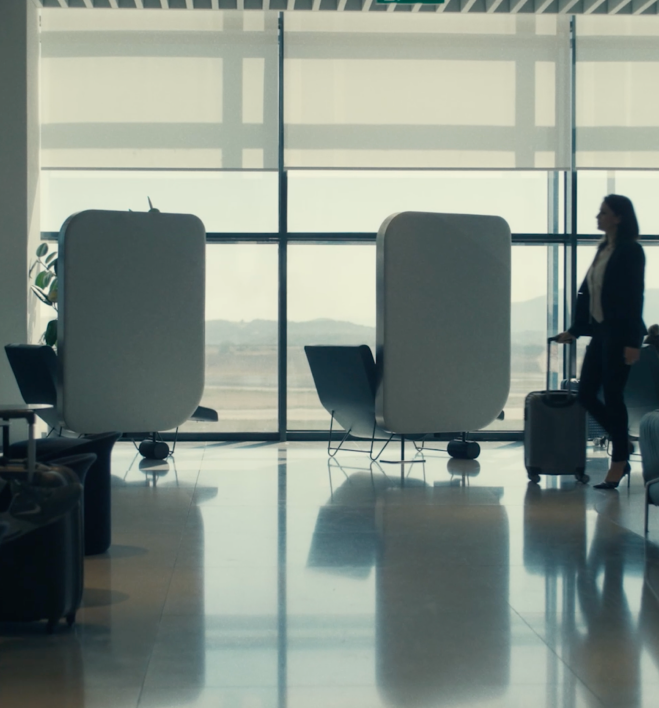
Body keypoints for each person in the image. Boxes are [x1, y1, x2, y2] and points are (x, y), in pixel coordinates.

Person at [556, 195, 646, 490]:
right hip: (601, 333)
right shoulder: (603, 250)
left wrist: (634, 340)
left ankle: (619, 459)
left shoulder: (630, 250)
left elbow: (635, 296)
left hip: (621, 335)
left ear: (618, 217)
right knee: (585, 394)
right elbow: (587, 293)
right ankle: (622, 445)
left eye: (603, 212)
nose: (598, 216)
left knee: (613, 394)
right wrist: (576, 329)